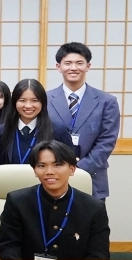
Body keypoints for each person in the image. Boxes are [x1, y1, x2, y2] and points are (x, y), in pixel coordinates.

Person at [0, 140, 110, 260]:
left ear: (72, 169)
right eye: (42, 166)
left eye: (57, 165)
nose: (49, 172)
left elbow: (98, 256)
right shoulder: (17, 201)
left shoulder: (93, 207)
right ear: (35, 171)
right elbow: (8, 248)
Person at [46, 42, 120, 200]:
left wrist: (80, 168)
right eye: (68, 63)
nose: (73, 68)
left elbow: (107, 141)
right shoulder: (45, 100)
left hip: (92, 177)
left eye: (79, 63)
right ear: (58, 67)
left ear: (88, 66)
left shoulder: (107, 101)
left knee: (91, 223)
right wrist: (61, 168)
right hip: (53, 175)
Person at [0, 79, 74, 165]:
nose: (28, 106)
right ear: (14, 102)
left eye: (35, 100)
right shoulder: (2, 131)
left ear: (43, 103)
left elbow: (69, 163)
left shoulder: (58, 130)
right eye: (22, 100)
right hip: (10, 178)